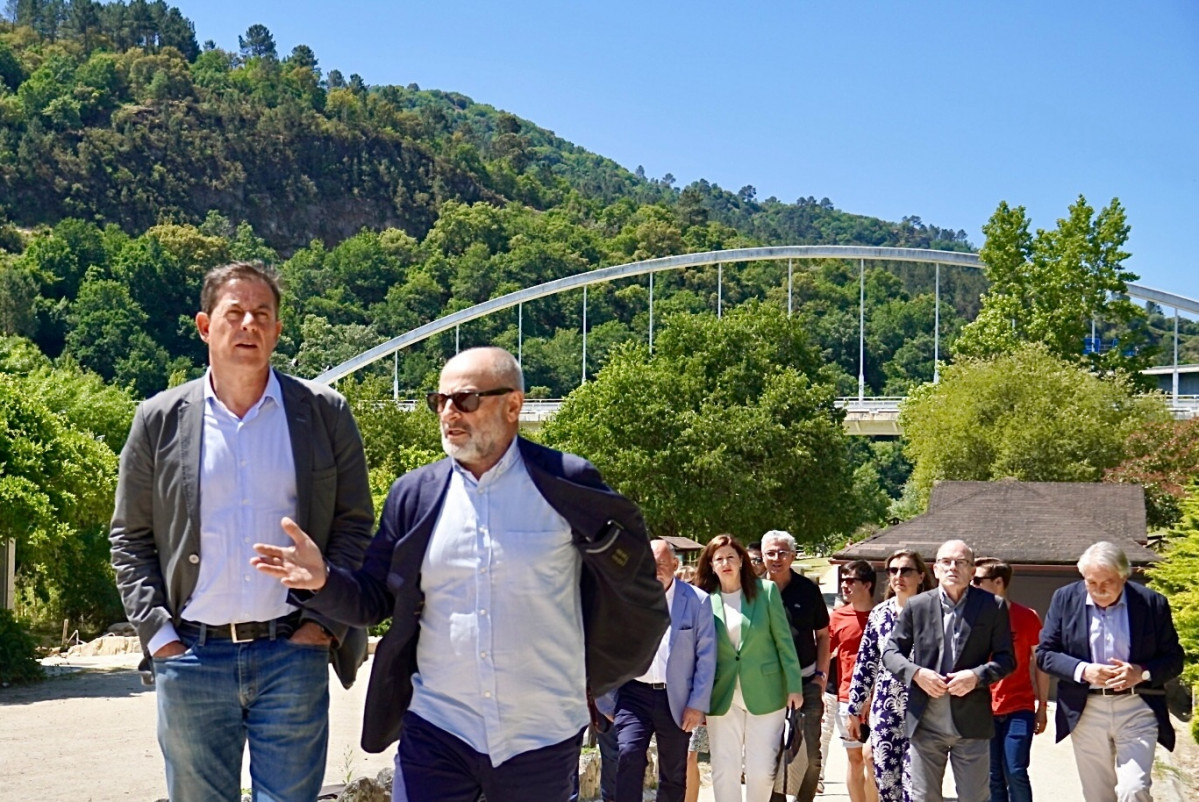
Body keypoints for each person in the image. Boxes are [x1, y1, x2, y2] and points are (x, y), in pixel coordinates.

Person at [252, 346, 668, 802]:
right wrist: (322, 581)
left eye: (465, 399)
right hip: (438, 731)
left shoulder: (568, 482)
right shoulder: (413, 495)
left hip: (542, 735)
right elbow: (375, 599)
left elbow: (636, 593)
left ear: (513, 404)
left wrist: (598, 678)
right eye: (439, 400)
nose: (448, 412)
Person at [109, 262, 375, 802]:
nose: (249, 324)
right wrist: (161, 640)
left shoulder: (324, 414)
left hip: (291, 652)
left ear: (278, 330)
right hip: (191, 658)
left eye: (262, 315)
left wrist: (319, 628)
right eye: (235, 313)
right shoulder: (158, 420)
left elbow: (354, 526)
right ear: (206, 326)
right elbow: (130, 540)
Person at [1035, 542, 1184, 802]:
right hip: (1086, 709)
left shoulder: (1151, 604)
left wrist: (1142, 672)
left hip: (1137, 706)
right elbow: (1045, 654)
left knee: (1133, 789)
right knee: (1098, 796)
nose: (1099, 590)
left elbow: (1174, 659)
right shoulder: (1065, 599)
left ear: (1124, 577)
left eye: (1107, 582)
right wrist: (1084, 670)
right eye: (1091, 583)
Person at [882, 539, 1015, 802]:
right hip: (926, 722)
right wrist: (917, 673)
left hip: (971, 724)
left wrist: (976, 676)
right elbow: (890, 653)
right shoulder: (917, 605)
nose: (952, 567)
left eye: (961, 562)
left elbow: (1007, 659)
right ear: (935, 568)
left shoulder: (992, 606)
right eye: (946, 562)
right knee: (924, 798)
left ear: (971, 569)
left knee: (974, 798)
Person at [599, 539, 717, 802]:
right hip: (633, 694)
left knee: (674, 771)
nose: (653, 570)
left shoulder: (697, 601)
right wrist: (605, 700)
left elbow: (706, 658)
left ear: (675, 565)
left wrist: (697, 705)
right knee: (628, 755)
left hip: (676, 699)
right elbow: (606, 649)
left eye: (660, 564)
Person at [696, 535, 803, 802]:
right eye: (719, 559)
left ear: (742, 561)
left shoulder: (765, 591)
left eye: (731, 557)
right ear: (711, 565)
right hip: (723, 694)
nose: (726, 563)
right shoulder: (704, 600)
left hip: (767, 693)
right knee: (724, 769)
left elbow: (784, 642)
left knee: (761, 772)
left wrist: (794, 685)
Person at [846, 549, 933, 802]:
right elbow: (866, 663)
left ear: (920, 576)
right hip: (886, 708)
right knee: (883, 777)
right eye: (893, 571)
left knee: (915, 782)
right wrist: (855, 708)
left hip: (924, 708)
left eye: (906, 570)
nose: (898, 576)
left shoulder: (935, 613)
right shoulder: (879, 614)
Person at [760, 530, 830, 802]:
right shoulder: (753, 590)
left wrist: (821, 676)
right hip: (767, 687)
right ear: (763, 555)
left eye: (782, 552)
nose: (776, 558)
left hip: (806, 681)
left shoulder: (808, 589)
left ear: (792, 555)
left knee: (810, 756)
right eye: (771, 553)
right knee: (771, 756)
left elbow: (823, 635)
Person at [972, 557, 1049, 802]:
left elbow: (1040, 664)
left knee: (1015, 770)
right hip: (984, 708)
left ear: (998, 582)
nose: (971, 585)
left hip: (1020, 707)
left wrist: (1043, 707)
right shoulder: (973, 619)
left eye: (977, 580)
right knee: (993, 774)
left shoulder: (1027, 616)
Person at [828, 559, 878, 802]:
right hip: (847, 698)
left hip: (881, 699)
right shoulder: (838, 617)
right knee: (855, 759)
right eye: (843, 581)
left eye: (851, 581)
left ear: (867, 584)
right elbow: (824, 653)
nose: (845, 586)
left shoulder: (883, 614)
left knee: (876, 759)